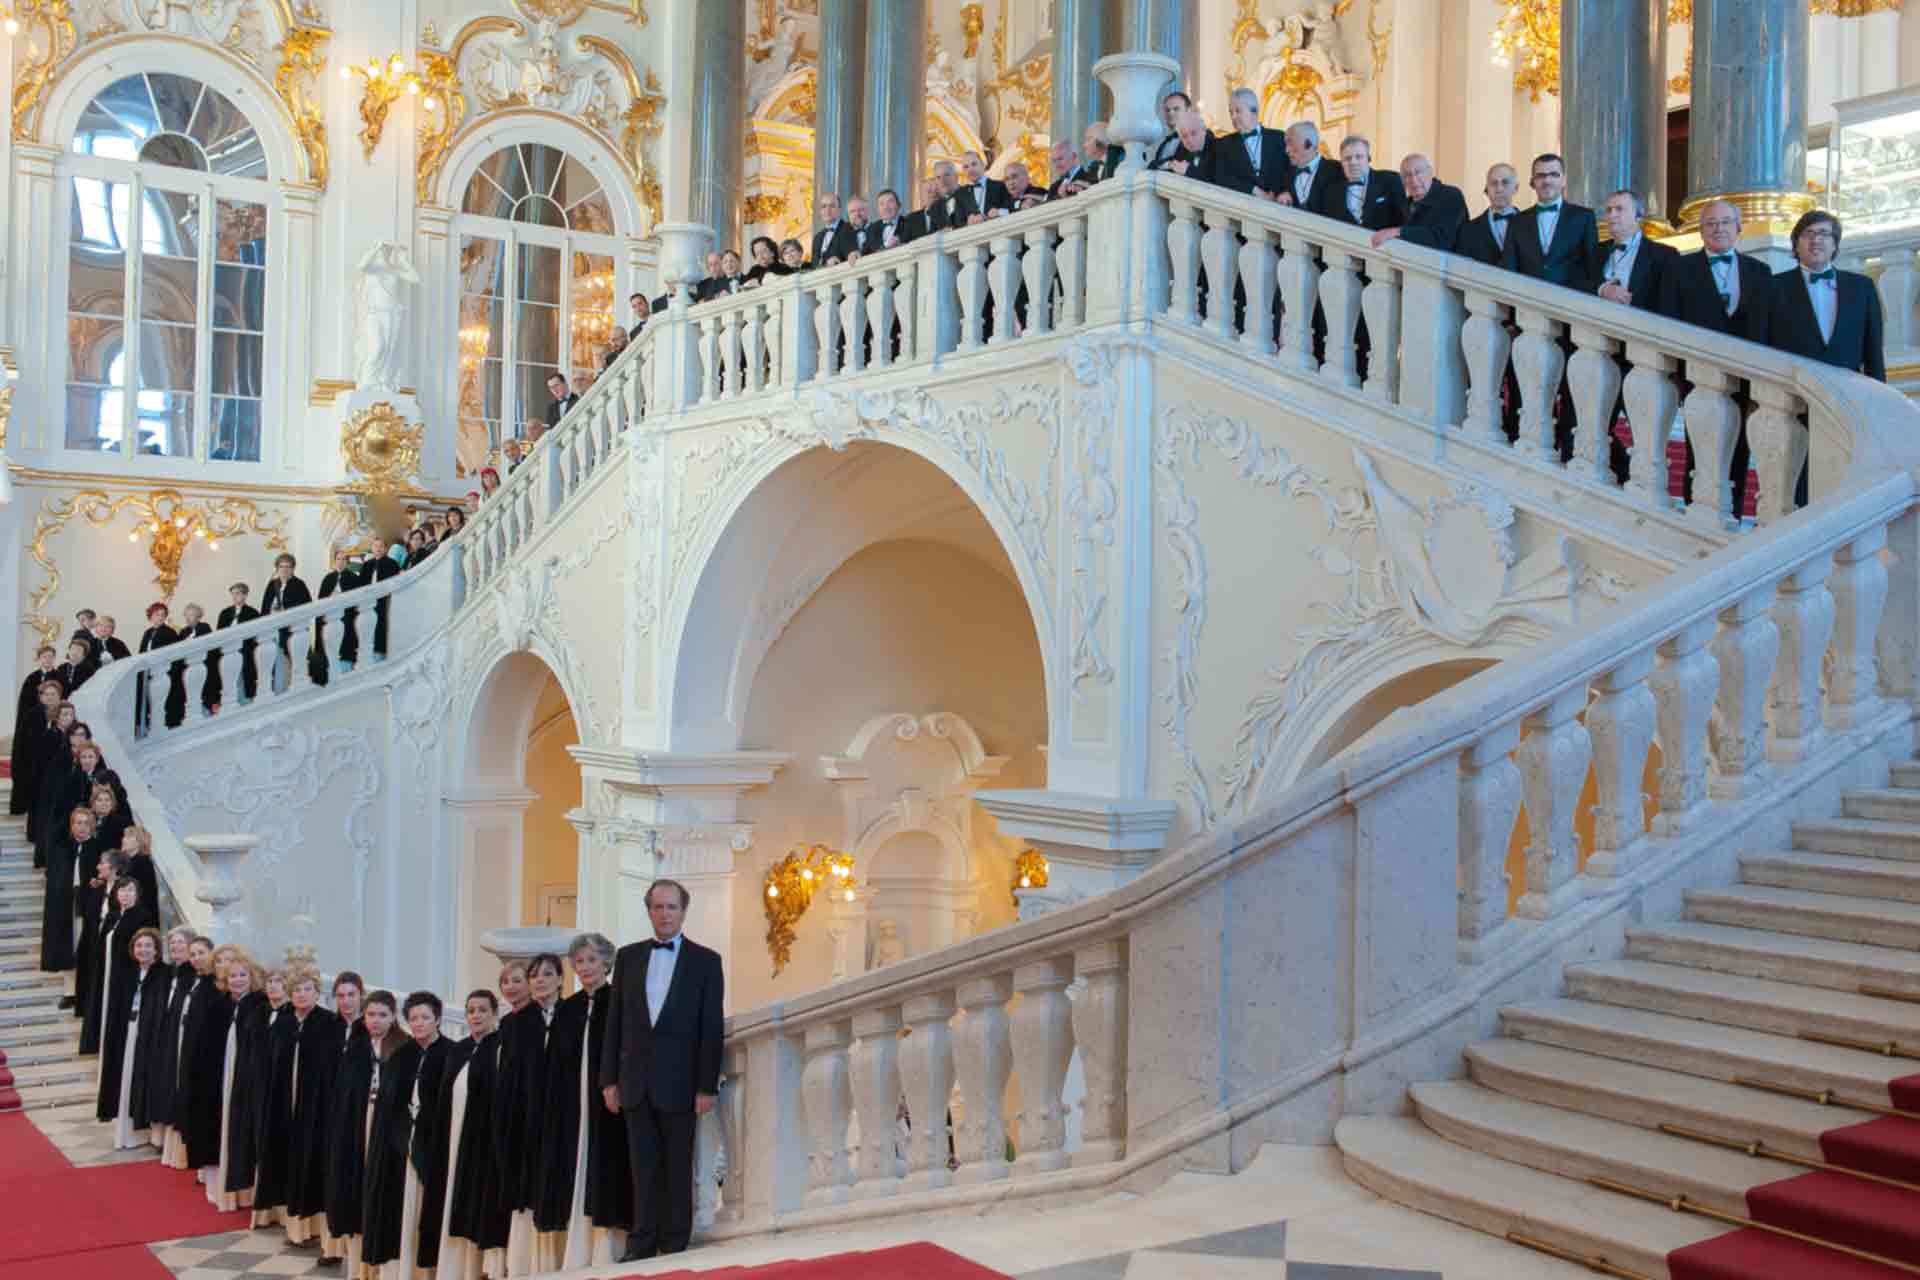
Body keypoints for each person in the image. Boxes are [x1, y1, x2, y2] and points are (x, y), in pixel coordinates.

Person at [601, 880, 724, 1262]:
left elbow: (710, 1028)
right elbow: (615, 1022)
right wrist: (609, 1079)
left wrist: (706, 1086)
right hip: (634, 1081)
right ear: (649, 911)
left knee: (677, 1164)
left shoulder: (706, 961)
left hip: (682, 1082)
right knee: (642, 1166)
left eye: (671, 907)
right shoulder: (628, 957)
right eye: (658, 907)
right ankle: (642, 1241)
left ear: (683, 912)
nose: (665, 914)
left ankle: (674, 1242)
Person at [1659, 198, 1775, 516]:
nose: (1718, 228)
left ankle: (1734, 514)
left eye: (1725, 222)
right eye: (1711, 223)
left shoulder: (1760, 272)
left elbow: (1767, 327)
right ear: (1701, 231)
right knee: (1700, 447)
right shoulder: (1679, 269)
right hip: (1698, 376)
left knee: (1739, 448)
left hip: (1745, 378)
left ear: (1738, 228)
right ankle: (1696, 513)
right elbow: (1668, 322)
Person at [539, 934, 629, 1268]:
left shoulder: (619, 999)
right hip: (571, 1104)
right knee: (575, 1167)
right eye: (579, 962)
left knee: (606, 1165)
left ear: (606, 962)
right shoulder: (569, 1009)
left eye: (592, 960)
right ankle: (576, 1252)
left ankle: (608, 1248)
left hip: (608, 1101)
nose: (585, 967)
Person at [363, 990, 450, 1278]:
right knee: (401, 1207)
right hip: (400, 1143)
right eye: (413, 1018)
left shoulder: (450, 1053)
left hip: (433, 1143)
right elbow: (389, 1104)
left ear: (437, 1019)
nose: (419, 1023)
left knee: (428, 1206)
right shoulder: (401, 1055)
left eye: (425, 1017)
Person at [254, 970, 344, 1247]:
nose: (301, 994)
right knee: (284, 1157)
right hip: (284, 1104)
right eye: (296, 990)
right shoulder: (282, 1023)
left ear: (317, 993)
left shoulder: (329, 1023)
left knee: (310, 1161)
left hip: (315, 1107)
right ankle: (288, 1220)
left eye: (307, 989)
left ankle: (312, 1225)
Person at [499, 953, 565, 1274]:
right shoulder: (515, 1021)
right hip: (526, 1113)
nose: (539, 980)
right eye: (535, 975)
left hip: (560, 1111)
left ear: (561, 979)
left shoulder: (571, 1013)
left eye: (547, 974)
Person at [438, 990, 508, 1280]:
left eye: (482, 1010)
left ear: (494, 1013)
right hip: (455, 1134)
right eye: (470, 1011)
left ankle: (486, 1268)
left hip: (484, 1138)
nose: (475, 1016)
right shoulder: (459, 1049)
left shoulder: (500, 1046)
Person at [325, 981, 388, 1275]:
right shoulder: (358, 1047)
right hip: (354, 1127)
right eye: (371, 1015)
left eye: (381, 1015)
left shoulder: (397, 1049)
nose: (375, 1020)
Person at [212, 954, 271, 1212]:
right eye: (233, 976)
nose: (237, 980)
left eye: (243, 975)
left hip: (246, 1076)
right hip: (228, 1071)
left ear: (253, 978)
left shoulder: (258, 1005)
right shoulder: (226, 1004)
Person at [87, 875, 155, 1081]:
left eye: (131, 890)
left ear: (138, 894)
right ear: (116, 894)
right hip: (107, 975)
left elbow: (144, 950)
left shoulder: (143, 916)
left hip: (126, 977)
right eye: (122, 890)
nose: (126, 894)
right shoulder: (113, 916)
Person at [1502, 152, 1602, 290]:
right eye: (1540, 176)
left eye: (1554, 175)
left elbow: (1593, 266)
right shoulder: (1516, 222)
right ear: (1532, 182)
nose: (1547, 181)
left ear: (1564, 180)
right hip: (1527, 303)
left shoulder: (1584, 217)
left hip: (1571, 303)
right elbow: (1509, 270)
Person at [160, 934, 215, 1168]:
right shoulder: (193, 979)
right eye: (193, 955)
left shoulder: (213, 983)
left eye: (201, 953)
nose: (196, 958)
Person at [142, 927, 198, 1154]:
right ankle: (159, 1134)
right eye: (172, 943)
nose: (175, 946)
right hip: (164, 1035)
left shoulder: (192, 974)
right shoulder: (168, 971)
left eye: (180, 942)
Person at [77, 851, 128, 1049]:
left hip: (113, 953)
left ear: (114, 867)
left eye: (102, 863)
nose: (98, 867)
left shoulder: (124, 889)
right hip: (95, 950)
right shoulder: (97, 889)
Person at [41, 804, 98, 978]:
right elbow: (53, 875)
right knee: (66, 942)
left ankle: (82, 988)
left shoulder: (97, 848)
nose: (81, 827)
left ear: (92, 826)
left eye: (86, 823)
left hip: (87, 901)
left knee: (82, 942)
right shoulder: (62, 847)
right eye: (78, 823)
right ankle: (69, 991)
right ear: (71, 825)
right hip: (64, 900)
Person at [1374, 154, 1467, 252]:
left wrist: (1399, 231)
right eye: (1407, 175)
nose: (1413, 180)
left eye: (1418, 172)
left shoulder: (1451, 195)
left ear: (1430, 172)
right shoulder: (1405, 204)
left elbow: (1442, 239)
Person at [13, 679, 63, 846]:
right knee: (36, 804)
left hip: (57, 770)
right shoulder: (32, 714)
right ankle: (34, 836)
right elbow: (22, 744)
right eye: (46, 694)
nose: (49, 697)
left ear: (59, 696)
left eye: (53, 694)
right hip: (36, 769)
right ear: (41, 697)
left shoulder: (65, 713)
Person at [1318, 135, 1405, 229]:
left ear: (1368, 158)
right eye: (1347, 158)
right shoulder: (1331, 191)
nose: (1353, 162)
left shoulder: (1390, 180)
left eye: (1359, 157)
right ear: (1341, 162)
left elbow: (1403, 221)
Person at [12, 646, 59, 809]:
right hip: (33, 728)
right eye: (45, 657)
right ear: (39, 659)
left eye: (51, 656)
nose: (48, 659)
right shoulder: (31, 678)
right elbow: (24, 706)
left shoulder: (59, 676)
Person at [261, 553, 312, 693]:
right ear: (277, 568)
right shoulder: (272, 584)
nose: (284, 569)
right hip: (273, 630)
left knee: (294, 663)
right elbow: (264, 608)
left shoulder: (299, 584)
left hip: (291, 631)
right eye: (281, 566)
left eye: (288, 567)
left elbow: (307, 607)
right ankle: (276, 691)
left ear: (293, 569)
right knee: (273, 663)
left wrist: (286, 611)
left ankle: (295, 690)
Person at [1228, 88, 1289, 199]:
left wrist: (1280, 193)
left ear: (1254, 111)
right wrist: (1253, 190)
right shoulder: (1224, 144)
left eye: (1238, 111)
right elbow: (1222, 178)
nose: (1233, 117)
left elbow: (1290, 171)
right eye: (1230, 112)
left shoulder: (1279, 138)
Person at [1277, 120, 1341, 216]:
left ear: (1308, 144)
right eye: (1286, 144)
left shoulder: (1336, 170)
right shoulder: (1285, 173)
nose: (1287, 150)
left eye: (1290, 143)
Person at [135, 603, 177, 735]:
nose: (159, 617)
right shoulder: (147, 632)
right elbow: (142, 652)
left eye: (162, 615)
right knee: (146, 701)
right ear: (150, 616)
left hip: (160, 672)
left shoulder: (169, 632)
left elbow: (170, 655)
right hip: (146, 673)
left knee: (158, 700)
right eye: (156, 614)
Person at [216, 581, 261, 705]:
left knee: (244, 677)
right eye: (233, 594)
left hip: (245, 650)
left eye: (238, 593)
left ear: (245, 595)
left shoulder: (253, 613)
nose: (235, 596)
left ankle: (246, 700)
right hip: (227, 651)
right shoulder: (225, 613)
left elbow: (254, 635)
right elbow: (219, 634)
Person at [362, 534, 401, 660]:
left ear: (385, 549)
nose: (378, 549)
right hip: (368, 602)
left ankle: (380, 654)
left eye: (381, 546)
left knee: (381, 628)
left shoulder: (392, 564)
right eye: (375, 546)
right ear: (372, 548)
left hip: (384, 602)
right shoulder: (367, 565)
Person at [175, 602, 213, 717]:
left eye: (191, 615)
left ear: (198, 616)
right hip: (187, 668)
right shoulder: (183, 631)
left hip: (201, 666)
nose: (188, 618)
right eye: (186, 615)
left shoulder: (204, 627)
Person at [959, 150, 1014, 222]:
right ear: (963, 171)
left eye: (974, 164)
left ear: (983, 165)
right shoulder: (962, 195)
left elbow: (1013, 207)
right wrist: (967, 221)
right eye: (966, 167)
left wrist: (999, 212)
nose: (970, 169)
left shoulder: (1000, 186)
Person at [808, 193, 858, 268]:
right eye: (824, 206)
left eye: (832, 206)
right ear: (820, 211)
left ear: (839, 210)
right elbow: (814, 266)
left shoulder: (848, 227)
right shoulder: (817, 237)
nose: (827, 210)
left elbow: (851, 254)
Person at [1146, 90, 1192, 170]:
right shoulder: (1163, 143)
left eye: (1176, 109)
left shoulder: (1198, 137)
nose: (1170, 113)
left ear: (1188, 111)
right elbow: (1152, 166)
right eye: (1167, 110)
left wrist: (1165, 164)